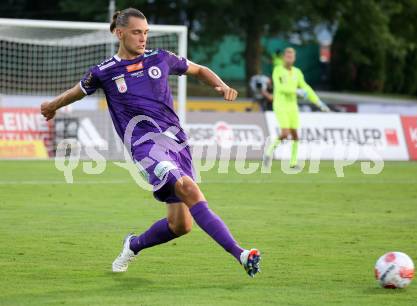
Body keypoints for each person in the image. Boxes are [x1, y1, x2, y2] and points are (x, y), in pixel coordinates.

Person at [40, 8, 261, 278]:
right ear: (120, 33)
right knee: (188, 188)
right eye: (136, 32)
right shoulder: (104, 71)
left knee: (180, 225)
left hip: (177, 144)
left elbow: (199, 69)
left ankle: (133, 245)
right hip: (145, 147)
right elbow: (76, 92)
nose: (143, 38)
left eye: (145, 33)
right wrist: (51, 106)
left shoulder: (161, 59)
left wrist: (221, 85)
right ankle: (241, 253)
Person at [264, 47, 330, 168]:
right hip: (280, 104)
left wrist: (318, 102)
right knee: (285, 133)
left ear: (294, 58)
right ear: (284, 57)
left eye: (291, 56)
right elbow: (279, 88)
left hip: (292, 106)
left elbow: (306, 88)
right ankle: (268, 153)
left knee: (295, 134)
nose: (289, 58)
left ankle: (293, 163)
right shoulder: (277, 70)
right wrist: (296, 91)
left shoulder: (297, 72)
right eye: (287, 56)